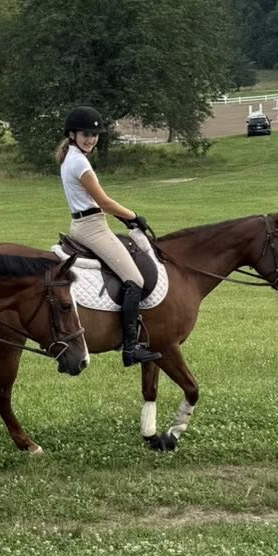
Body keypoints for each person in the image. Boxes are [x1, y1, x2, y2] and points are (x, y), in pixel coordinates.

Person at [57, 107, 160, 366]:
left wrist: (124, 219)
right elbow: (103, 201)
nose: (91, 139)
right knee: (134, 279)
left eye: (94, 135)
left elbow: (95, 203)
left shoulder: (71, 157)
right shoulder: (79, 162)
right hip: (92, 228)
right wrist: (133, 216)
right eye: (85, 134)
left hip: (85, 223)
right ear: (72, 134)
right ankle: (130, 348)